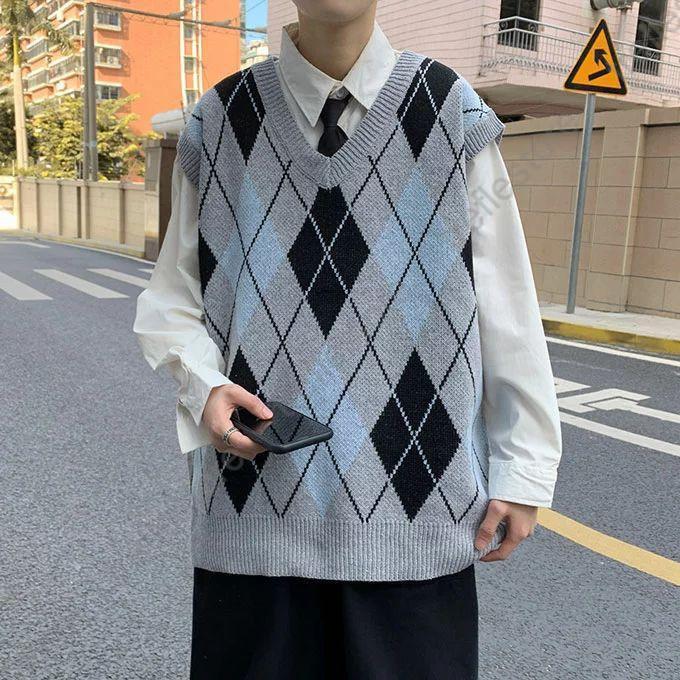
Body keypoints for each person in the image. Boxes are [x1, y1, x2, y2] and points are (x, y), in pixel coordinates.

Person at [133, 1, 563, 678]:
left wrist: (524, 468)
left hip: (418, 519)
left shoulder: (449, 111)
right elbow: (173, 300)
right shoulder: (219, 122)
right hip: (253, 518)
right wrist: (204, 384)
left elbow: (505, 301)